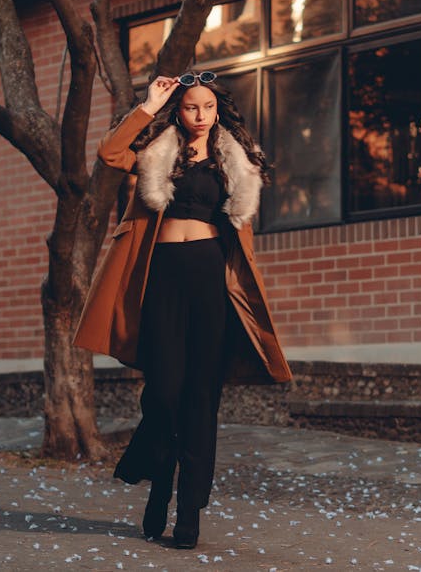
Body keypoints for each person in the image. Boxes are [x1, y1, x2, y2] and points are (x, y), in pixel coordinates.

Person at [73, 71, 292, 549]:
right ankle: (156, 483)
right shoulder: (157, 153)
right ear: (180, 109)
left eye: (207, 107)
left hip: (210, 281)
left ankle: (188, 513)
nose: (200, 115)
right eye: (191, 107)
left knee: (200, 401)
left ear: (217, 110)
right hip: (163, 280)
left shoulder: (233, 161)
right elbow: (110, 153)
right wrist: (149, 105)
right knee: (166, 392)